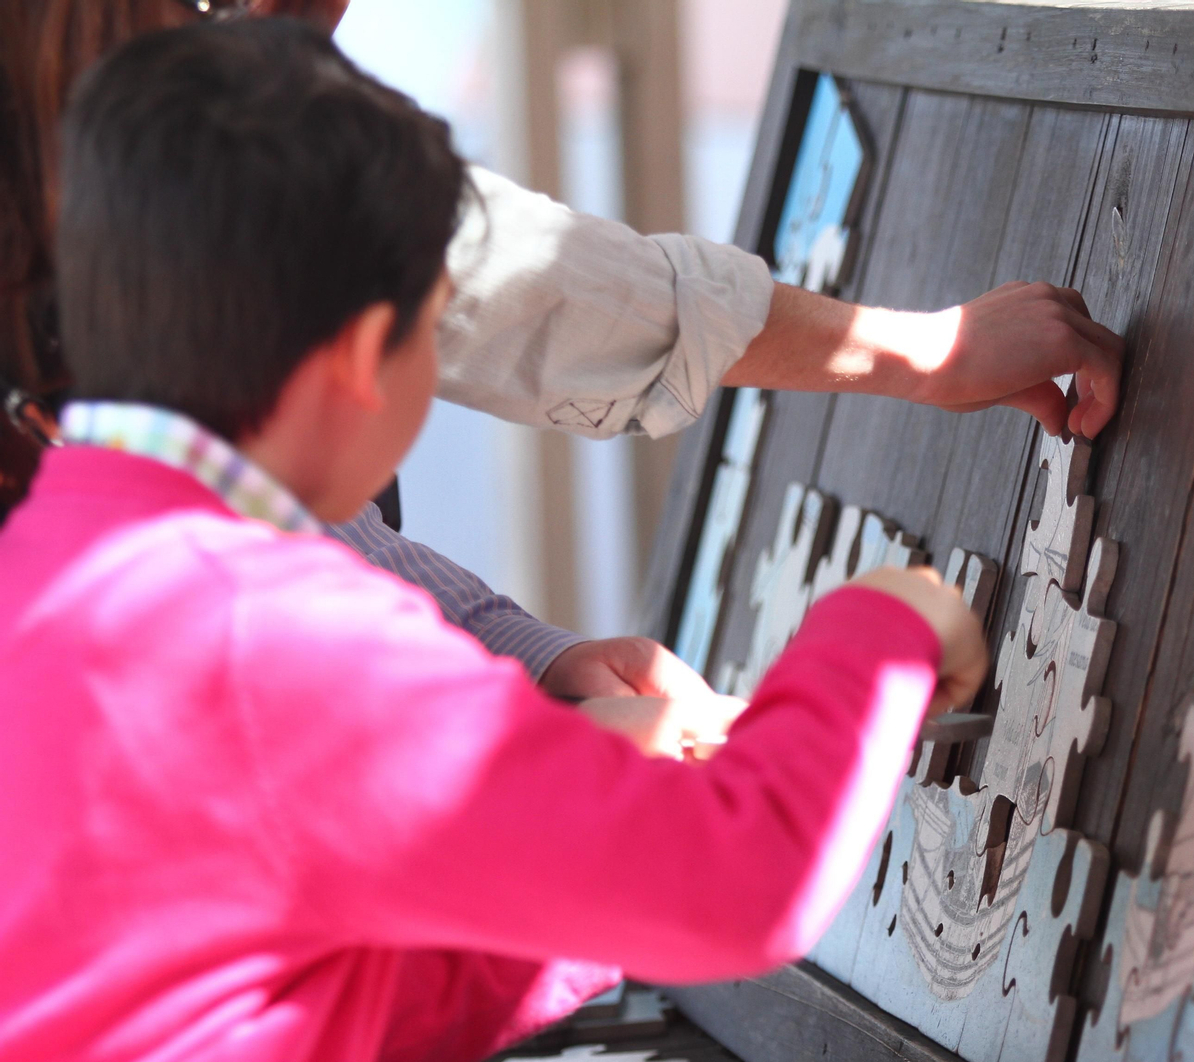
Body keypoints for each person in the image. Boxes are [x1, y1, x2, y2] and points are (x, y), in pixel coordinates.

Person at [0, 20, 990, 1062]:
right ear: (356, 358)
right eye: (433, 326)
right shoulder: (290, 637)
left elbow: (296, 988)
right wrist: (887, 625)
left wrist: (574, 860)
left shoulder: (45, 555)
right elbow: (753, 883)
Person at [0, 0, 1124, 725]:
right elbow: (735, 871)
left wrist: (522, 653)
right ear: (348, 350)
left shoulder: (125, 519)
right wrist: (885, 638)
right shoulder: (234, 643)